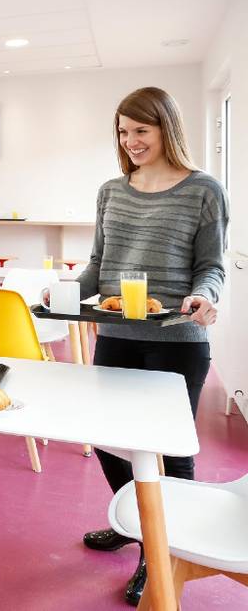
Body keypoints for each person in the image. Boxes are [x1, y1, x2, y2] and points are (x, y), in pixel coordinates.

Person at [74, 86, 228, 606]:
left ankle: (163, 552)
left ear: (167, 128)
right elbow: (99, 264)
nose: (130, 141)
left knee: (170, 450)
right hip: (116, 335)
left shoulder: (204, 190)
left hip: (177, 339)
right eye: (123, 132)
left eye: (141, 130)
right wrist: (59, 294)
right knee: (107, 439)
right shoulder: (111, 191)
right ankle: (137, 525)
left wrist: (204, 296)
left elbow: (211, 266)